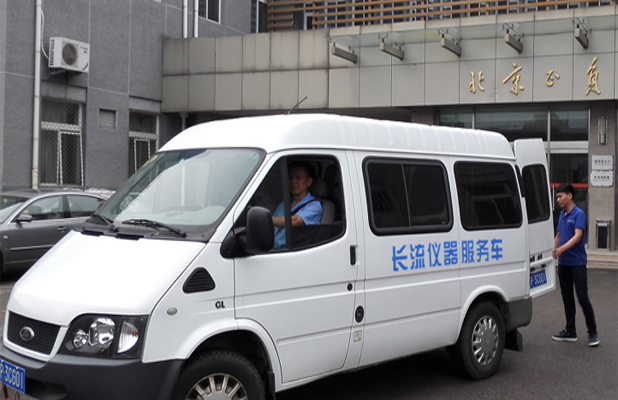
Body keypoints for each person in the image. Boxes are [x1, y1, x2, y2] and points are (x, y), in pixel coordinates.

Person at [551, 183, 599, 347]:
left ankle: (592, 332)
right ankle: (570, 331)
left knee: (582, 297)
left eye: (560, 196)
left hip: (577, 263)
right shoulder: (562, 215)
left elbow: (578, 236)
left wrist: (561, 249)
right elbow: (558, 235)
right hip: (563, 264)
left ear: (570, 196)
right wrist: (553, 249)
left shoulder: (579, 214)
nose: (558, 200)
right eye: (557, 197)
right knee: (567, 298)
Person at [272, 163, 322, 249]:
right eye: (290, 177)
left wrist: (265, 219)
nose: (293, 181)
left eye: (298, 178)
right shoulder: (283, 204)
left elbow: (294, 221)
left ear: (309, 182)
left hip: (293, 251)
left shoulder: (315, 205)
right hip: (273, 248)